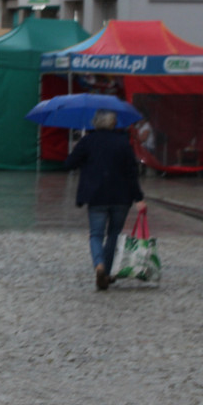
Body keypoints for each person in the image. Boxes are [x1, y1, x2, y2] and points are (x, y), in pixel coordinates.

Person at [63, 109, 147, 291]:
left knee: (96, 234)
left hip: (96, 196)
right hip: (121, 197)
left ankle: (99, 265)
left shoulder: (87, 142)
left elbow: (69, 164)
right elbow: (132, 173)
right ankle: (106, 273)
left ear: (95, 123)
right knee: (114, 235)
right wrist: (138, 198)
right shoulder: (123, 143)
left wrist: (81, 156)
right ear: (114, 123)